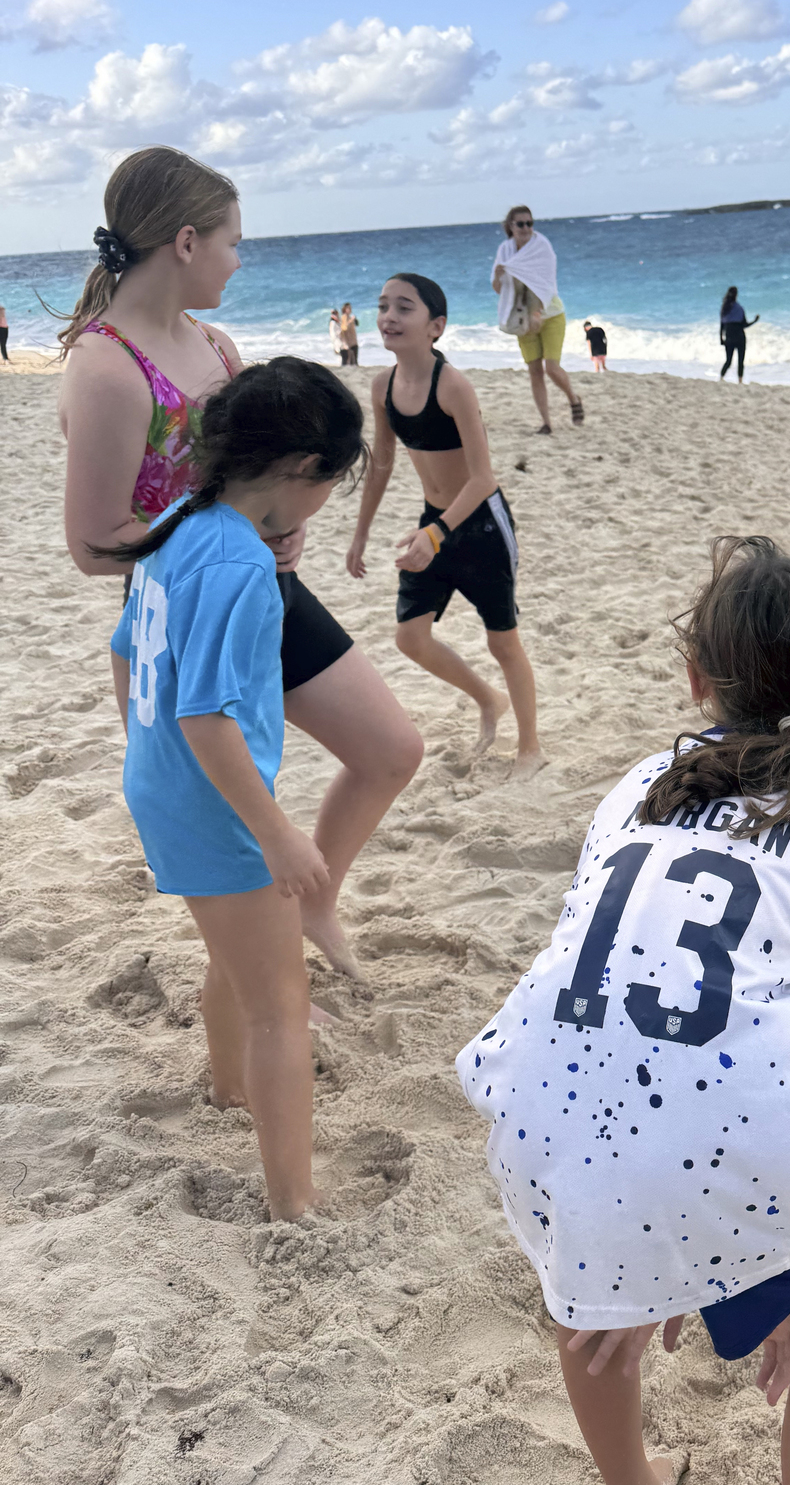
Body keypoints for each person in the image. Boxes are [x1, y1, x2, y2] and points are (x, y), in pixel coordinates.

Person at [455, 535, 790, 1485]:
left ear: (694, 675)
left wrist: (676, 1256)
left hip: (538, 1105)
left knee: (591, 1295)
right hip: (721, 1124)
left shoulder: (634, 790)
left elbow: (605, 981)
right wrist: (766, 1263)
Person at [58, 146, 424, 982]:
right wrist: (229, 529)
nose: (239, 256)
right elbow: (91, 544)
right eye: (232, 240)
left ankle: (311, 907)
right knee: (227, 825)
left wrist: (278, 530)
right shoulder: (108, 366)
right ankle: (269, 979)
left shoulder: (218, 346)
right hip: (186, 611)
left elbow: (258, 468)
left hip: (267, 588)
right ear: (185, 242)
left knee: (392, 750)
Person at [104, 359, 367, 1219]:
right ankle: (295, 1203)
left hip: (163, 786)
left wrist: (142, 751)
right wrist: (275, 832)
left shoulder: (179, 521)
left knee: (236, 959)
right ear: (302, 470)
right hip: (215, 805)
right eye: (331, 480)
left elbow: (124, 650)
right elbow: (209, 719)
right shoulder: (239, 565)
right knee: (279, 1008)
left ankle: (226, 1092)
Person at [347, 274, 544, 779]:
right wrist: (361, 532)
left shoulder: (452, 384)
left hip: (481, 525)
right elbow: (384, 463)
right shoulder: (382, 387)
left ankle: (530, 747)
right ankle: (488, 699)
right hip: (431, 523)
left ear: (435, 326)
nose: (388, 316)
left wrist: (437, 534)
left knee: (503, 642)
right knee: (410, 639)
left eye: (404, 308)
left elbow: (483, 478)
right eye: (383, 305)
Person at [492, 204, 583, 434]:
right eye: (520, 224)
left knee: (551, 368)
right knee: (535, 371)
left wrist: (537, 312)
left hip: (550, 315)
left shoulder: (541, 247)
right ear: (510, 227)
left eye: (529, 223)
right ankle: (546, 423)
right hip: (522, 318)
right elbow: (499, 289)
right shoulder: (505, 250)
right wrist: (498, 275)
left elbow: (546, 284)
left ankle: (573, 398)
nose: (526, 228)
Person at [719, 287, 760, 382]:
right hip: (740, 336)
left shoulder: (724, 309)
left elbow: (722, 326)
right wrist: (755, 321)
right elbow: (744, 325)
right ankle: (740, 380)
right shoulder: (739, 308)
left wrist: (721, 339)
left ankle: (721, 378)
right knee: (740, 361)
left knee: (728, 361)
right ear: (736, 295)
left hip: (729, 337)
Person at [339, 302, 359, 367]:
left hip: (353, 341)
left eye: (350, 308)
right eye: (348, 308)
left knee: (354, 361)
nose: (350, 309)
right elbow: (344, 328)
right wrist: (350, 321)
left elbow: (357, 325)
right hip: (349, 342)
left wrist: (354, 320)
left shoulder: (349, 317)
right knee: (352, 362)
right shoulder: (344, 317)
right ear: (345, 309)